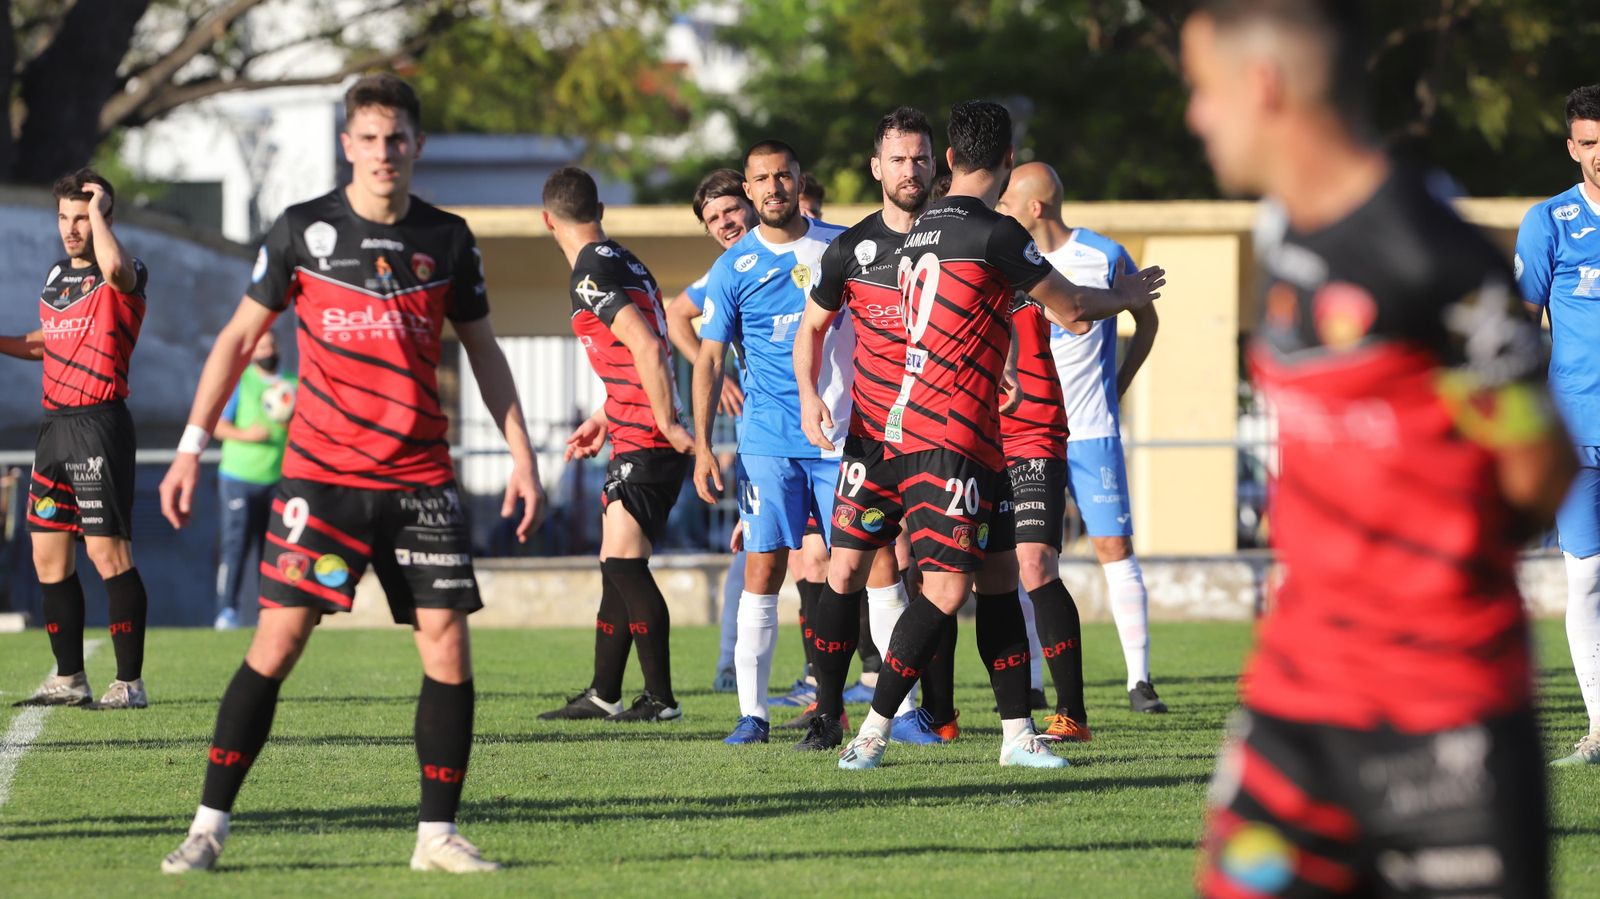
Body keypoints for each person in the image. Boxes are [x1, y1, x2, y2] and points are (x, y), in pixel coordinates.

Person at [1182, 3, 1572, 895]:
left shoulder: (1433, 257)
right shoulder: (1284, 236)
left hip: (1445, 721)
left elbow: (1538, 468)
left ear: (1263, 86)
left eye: (1204, 89)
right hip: (1294, 709)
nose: (1196, 116)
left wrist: (1426, 562)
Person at [156, 73, 546, 875]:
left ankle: (436, 836)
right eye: (368, 138)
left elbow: (484, 351)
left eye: (396, 138)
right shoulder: (302, 230)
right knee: (278, 641)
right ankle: (207, 827)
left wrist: (522, 455)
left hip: (420, 481)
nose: (382, 152)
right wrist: (192, 444)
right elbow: (236, 339)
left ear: (417, 145)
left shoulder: (447, 238)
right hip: (320, 478)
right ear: (347, 145)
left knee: (447, 646)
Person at [799, 100, 1164, 769]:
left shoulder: (920, 230)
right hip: (947, 433)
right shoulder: (994, 233)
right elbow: (1073, 308)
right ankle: (872, 731)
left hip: (958, 430)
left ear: (947, 159)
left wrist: (997, 362)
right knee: (944, 590)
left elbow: (965, 314)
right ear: (1007, 160)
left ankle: (1017, 734)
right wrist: (1129, 294)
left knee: (998, 578)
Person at [793, 106, 957, 749]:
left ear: (937, 164)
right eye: (898, 159)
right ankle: (828, 714)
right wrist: (809, 394)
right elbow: (811, 329)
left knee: (940, 580)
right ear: (876, 168)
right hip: (873, 439)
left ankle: (936, 712)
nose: (910, 170)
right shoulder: (850, 250)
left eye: (920, 158)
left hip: (943, 438)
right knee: (843, 574)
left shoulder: (963, 238)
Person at [690, 139, 852, 745]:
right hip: (768, 439)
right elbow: (709, 360)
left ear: (798, 180)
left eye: (783, 176)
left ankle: (896, 709)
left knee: (864, 566)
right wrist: (703, 447)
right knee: (764, 567)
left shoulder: (842, 246)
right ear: (749, 188)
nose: (774, 187)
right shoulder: (732, 268)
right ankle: (752, 715)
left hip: (842, 435)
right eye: (761, 179)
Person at [998, 162, 1167, 715]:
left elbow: (1146, 321)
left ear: (1036, 207)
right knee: (1028, 557)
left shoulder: (1104, 254)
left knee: (1114, 549)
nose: (1000, 211)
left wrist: (1119, 385)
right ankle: (1033, 682)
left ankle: (1139, 681)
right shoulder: (1008, 258)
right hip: (1030, 433)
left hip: (1091, 431)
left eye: (1008, 203)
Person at [538, 166, 693, 723]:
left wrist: (666, 423)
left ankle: (661, 699)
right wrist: (606, 415)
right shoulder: (626, 261)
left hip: (647, 438)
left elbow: (648, 347)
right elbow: (640, 353)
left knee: (625, 567)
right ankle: (605, 693)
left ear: (547, 220)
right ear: (599, 210)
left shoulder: (589, 273)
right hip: (633, 429)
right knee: (616, 563)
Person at [1, 168, 152, 711]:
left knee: (107, 553)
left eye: (82, 217)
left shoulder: (126, 270)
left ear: (104, 218)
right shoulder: (56, 276)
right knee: (47, 555)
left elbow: (114, 269)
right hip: (55, 427)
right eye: (63, 217)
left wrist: (100, 210)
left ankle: (129, 683)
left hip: (99, 424)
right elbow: (49, 341)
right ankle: (69, 678)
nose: (70, 228)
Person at [1515, 83, 1600, 766]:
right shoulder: (1550, 221)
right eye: (1590, 144)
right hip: (1578, 433)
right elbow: (1517, 330)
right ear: (1572, 148)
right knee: (1588, 577)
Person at [664, 168, 754, 694]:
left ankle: (868, 678)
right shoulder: (727, 271)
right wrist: (714, 377)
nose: (724, 223)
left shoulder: (816, 251)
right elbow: (676, 315)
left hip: (832, 431)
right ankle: (730, 664)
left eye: (730, 210)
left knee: (857, 555)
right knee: (753, 553)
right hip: (762, 438)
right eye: (713, 218)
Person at [211, 330, 296, 631]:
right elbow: (217, 426)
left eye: (271, 345)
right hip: (239, 478)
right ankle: (227, 612)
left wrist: (290, 425)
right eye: (261, 346)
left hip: (278, 479)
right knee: (235, 546)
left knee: (271, 549)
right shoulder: (241, 382)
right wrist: (247, 435)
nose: (267, 351)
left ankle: (268, 611)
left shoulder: (292, 385)